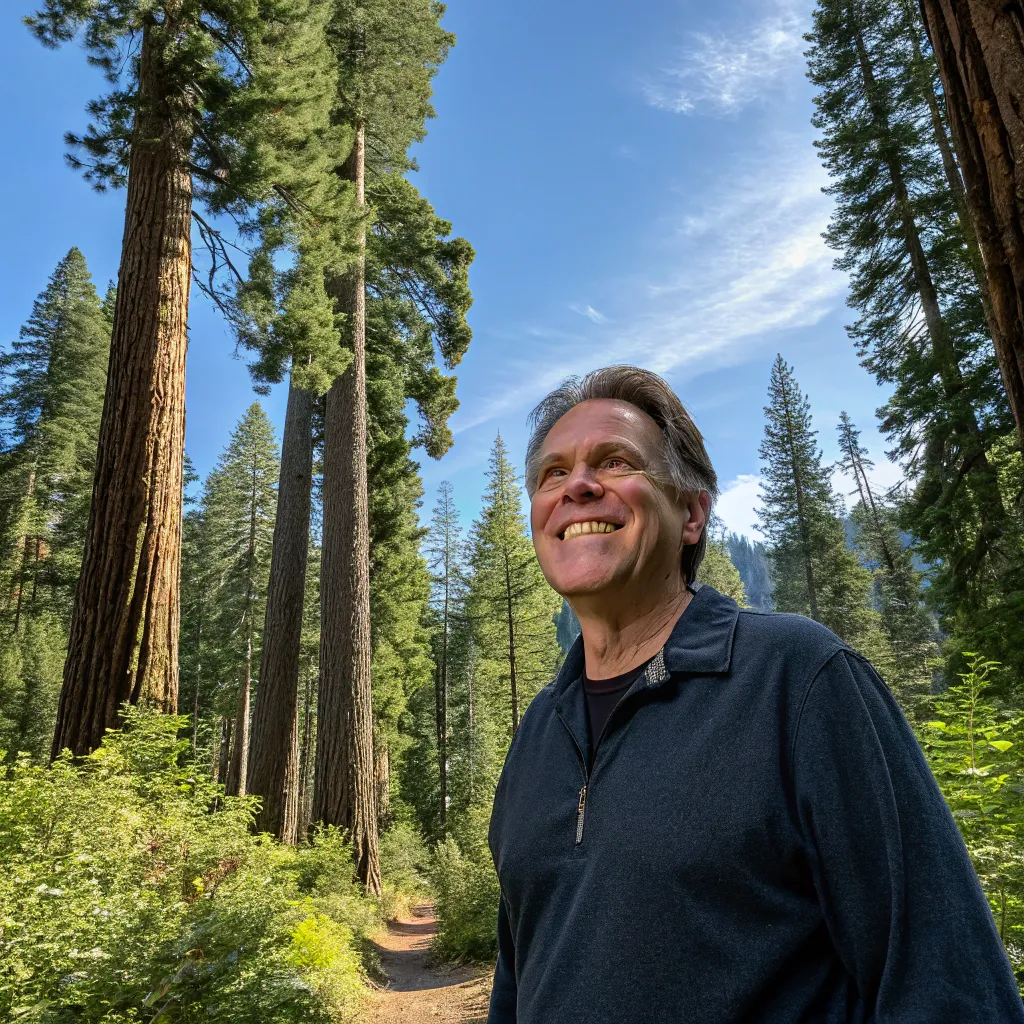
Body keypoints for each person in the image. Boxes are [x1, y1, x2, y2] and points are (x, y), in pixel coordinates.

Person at [486, 365, 1024, 1023]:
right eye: (552, 473)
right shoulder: (538, 735)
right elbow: (519, 981)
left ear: (690, 513)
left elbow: (946, 982)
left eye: (616, 461)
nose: (577, 486)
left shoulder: (797, 679)